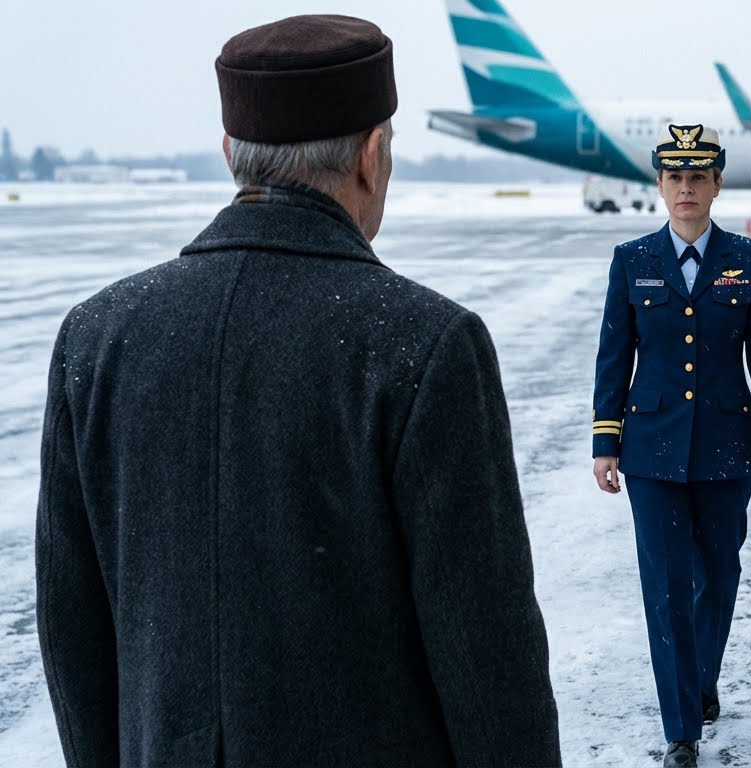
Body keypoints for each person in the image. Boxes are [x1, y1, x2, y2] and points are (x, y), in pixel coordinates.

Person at [35, 15, 560, 767]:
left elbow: (72, 627)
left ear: (230, 153)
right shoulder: (425, 342)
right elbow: (485, 651)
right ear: (372, 157)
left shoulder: (97, 334)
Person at [592, 124, 751, 768]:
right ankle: (681, 727)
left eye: (697, 178)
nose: (685, 189)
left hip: (727, 447)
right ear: (659, 185)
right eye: (674, 178)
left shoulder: (747, 260)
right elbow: (613, 356)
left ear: (716, 185)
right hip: (649, 450)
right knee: (666, 586)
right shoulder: (632, 260)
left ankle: (700, 680)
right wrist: (605, 439)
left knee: (719, 575)